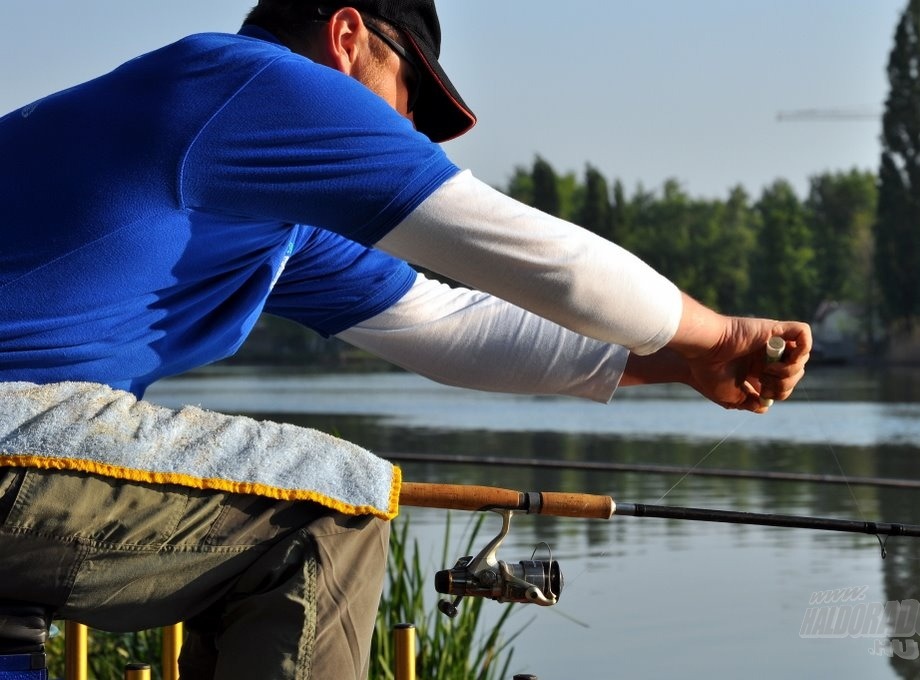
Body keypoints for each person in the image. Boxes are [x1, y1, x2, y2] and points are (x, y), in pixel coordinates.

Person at [0, 1, 812, 678]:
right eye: (409, 97)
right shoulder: (251, 84)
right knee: (332, 512)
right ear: (347, 39)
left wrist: (682, 361)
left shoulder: (261, 212)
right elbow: (554, 265)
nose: (411, 132)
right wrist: (722, 330)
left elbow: (448, 326)